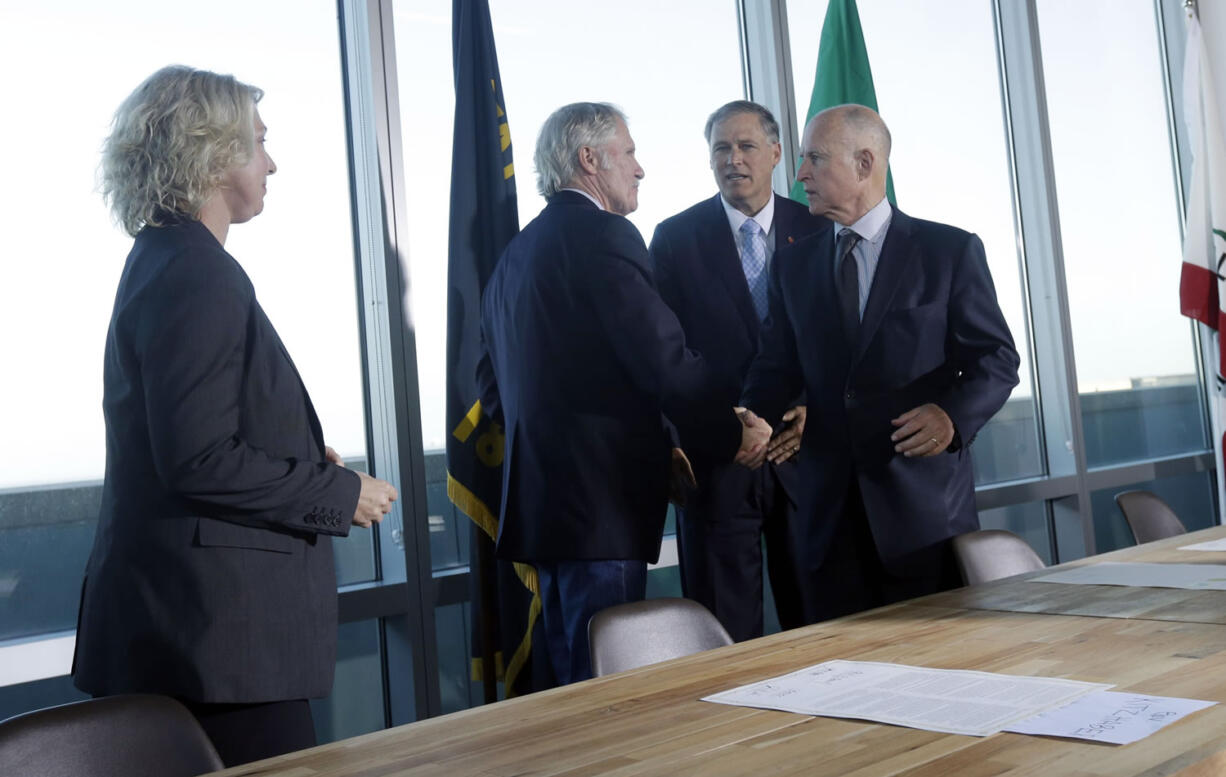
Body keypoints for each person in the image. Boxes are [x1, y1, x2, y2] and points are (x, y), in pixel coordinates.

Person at [72, 65, 398, 767]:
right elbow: (196, 457)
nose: (271, 161)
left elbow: (193, 432)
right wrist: (339, 492)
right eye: (256, 142)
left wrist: (302, 456)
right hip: (216, 643)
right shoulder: (197, 272)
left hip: (191, 631)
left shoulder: (163, 259)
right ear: (212, 153)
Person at [478, 102, 771, 685]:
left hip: (547, 509)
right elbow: (663, 359)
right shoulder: (605, 235)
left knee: (569, 683)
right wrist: (730, 432)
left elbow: (493, 392)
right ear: (590, 159)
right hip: (600, 509)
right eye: (630, 153)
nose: (640, 170)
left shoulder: (514, 256)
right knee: (608, 692)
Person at [740, 104, 1020, 622]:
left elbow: (997, 358)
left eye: (815, 159)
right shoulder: (793, 263)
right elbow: (775, 363)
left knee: (940, 678)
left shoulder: (948, 251)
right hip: (826, 523)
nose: (800, 174)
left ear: (865, 164)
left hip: (924, 522)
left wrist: (951, 416)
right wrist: (750, 415)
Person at [648, 101, 827, 641]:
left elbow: (844, 340)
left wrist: (809, 405)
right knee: (726, 638)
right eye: (721, 148)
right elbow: (663, 354)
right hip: (720, 462)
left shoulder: (820, 228)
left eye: (747, 146)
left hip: (805, 459)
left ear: (775, 154)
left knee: (824, 626)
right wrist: (726, 427)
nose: (734, 159)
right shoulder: (674, 239)